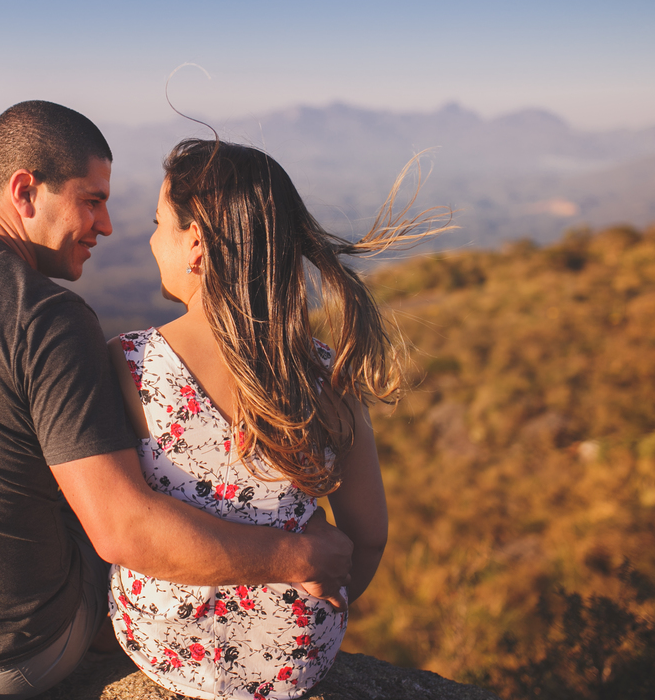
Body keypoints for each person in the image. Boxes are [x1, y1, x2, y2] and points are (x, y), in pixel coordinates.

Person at [0, 102, 356, 699]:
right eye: (92, 200)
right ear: (26, 191)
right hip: (15, 657)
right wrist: (296, 557)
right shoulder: (48, 318)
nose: (105, 225)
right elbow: (122, 532)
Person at [107, 139, 440, 700]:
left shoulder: (130, 364)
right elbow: (370, 534)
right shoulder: (326, 374)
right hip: (297, 655)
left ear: (195, 243)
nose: (148, 237)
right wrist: (323, 601)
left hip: (171, 643)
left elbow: (115, 523)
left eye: (159, 222)